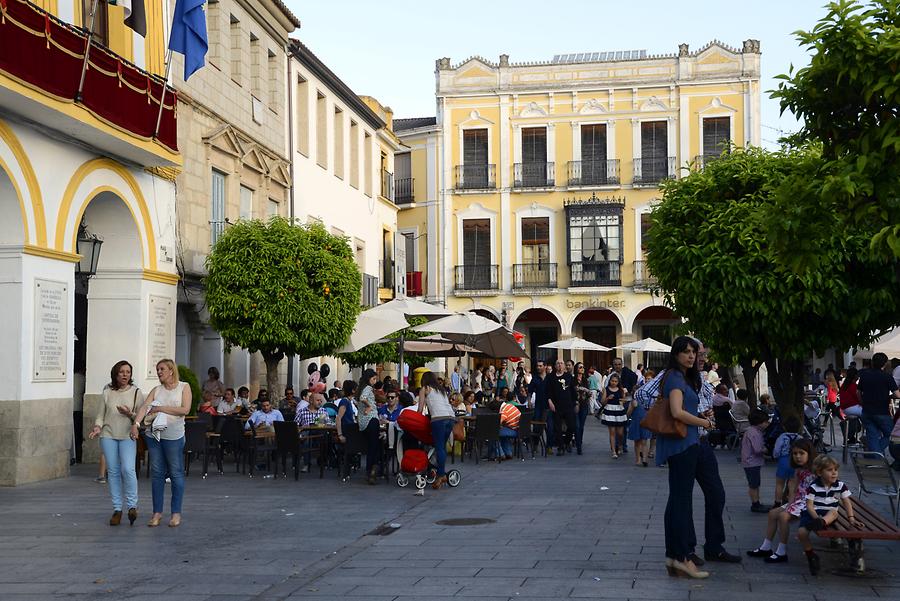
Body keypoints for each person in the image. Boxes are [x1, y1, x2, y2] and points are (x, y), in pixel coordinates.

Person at [651, 336, 740, 580]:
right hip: (683, 444)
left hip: (688, 443)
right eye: (686, 352)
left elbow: (682, 410)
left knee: (679, 501)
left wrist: (699, 415)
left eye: (694, 352)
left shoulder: (683, 377)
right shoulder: (674, 377)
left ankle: (676, 557)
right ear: (676, 354)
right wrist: (705, 421)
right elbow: (677, 412)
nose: (692, 356)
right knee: (681, 503)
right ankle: (682, 558)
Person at [131, 359, 191, 528]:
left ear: (171, 370)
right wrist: (136, 424)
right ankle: (157, 512)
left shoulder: (183, 387)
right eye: (157, 369)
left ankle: (175, 513)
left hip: (174, 436)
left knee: (176, 472)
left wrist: (160, 408)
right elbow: (144, 407)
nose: (159, 372)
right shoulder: (156, 390)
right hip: (154, 436)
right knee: (156, 473)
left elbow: (185, 410)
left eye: (162, 369)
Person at [88, 360, 142, 526]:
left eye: (128, 372)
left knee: (128, 469)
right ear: (115, 374)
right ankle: (117, 509)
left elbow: (141, 417)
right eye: (122, 372)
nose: (125, 375)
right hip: (108, 434)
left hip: (127, 436)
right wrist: (97, 427)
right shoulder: (107, 392)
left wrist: (129, 414)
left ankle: (132, 506)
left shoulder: (136, 392)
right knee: (113, 471)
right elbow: (100, 414)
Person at [747, 438, 817, 563]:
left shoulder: (815, 470)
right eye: (795, 454)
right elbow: (793, 489)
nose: (798, 457)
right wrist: (789, 504)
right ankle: (766, 546)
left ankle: (781, 550)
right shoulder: (798, 470)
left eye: (801, 453)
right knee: (773, 513)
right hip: (798, 501)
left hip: (811, 503)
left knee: (783, 517)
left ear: (809, 454)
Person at [797, 455, 862, 575]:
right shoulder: (813, 487)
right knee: (801, 533)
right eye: (829, 470)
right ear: (819, 473)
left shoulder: (840, 485)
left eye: (835, 470)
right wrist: (816, 517)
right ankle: (811, 555)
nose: (834, 473)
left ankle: (822, 523)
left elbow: (847, 502)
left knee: (834, 512)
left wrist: (851, 518)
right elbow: (809, 505)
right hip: (813, 514)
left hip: (828, 514)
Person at [418, 371, 457, 489]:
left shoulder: (425, 389)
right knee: (442, 447)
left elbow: (420, 409)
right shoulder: (441, 390)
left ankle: (440, 475)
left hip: (438, 419)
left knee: (439, 447)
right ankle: (441, 472)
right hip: (450, 418)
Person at [858, 352, 900, 453]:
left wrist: (862, 402)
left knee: (872, 436)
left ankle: (874, 457)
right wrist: (890, 396)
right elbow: (898, 395)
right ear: (885, 364)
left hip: (867, 411)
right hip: (882, 411)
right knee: (891, 435)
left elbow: (858, 392)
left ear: (872, 362)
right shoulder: (887, 377)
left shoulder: (865, 375)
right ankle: (876, 454)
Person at [741, 409, 771, 513]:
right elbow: (757, 449)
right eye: (766, 422)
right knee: (754, 484)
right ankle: (755, 504)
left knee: (755, 483)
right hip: (752, 462)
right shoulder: (754, 433)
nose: (768, 424)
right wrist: (766, 450)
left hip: (750, 462)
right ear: (760, 423)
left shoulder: (751, 431)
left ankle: (757, 502)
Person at [546, 359, 576, 456]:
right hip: (556, 406)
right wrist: (550, 402)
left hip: (568, 405)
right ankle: (560, 447)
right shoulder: (550, 377)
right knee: (557, 428)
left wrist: (575, 403)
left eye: (561, 363)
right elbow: (548, 391)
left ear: (564, 366)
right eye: (557, 363)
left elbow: (573, 391)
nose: (559, 365)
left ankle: (567, 442)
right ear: (555, 366)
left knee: (571, 426)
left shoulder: (569, 376)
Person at [357, 369, 381, 485]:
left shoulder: (360, 388)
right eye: (374, 379)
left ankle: (370, 469)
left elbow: (359, 400)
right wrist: (369, 406)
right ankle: (373, 468)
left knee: (371, 446)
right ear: (368, 379)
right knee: (374, 445)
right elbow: (363, 398)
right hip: (371, 419)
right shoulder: (368, 388)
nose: (375, 381)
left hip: (363, 422)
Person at [772, 416, 802, 506]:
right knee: (792, 484)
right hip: (795, 461)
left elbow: (777, 450)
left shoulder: (782, 437)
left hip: (783, 461)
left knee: (779, 483)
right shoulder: (800, 437)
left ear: (784, 427)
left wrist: (775, 456)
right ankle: (791, 503)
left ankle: (777, 502)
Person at [601, 373, 629, 458]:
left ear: (618, 382)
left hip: (619, 410)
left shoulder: (621, 390)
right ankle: (613, 451)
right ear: (610, 381)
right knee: (612, 432)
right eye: (612, 381)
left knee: (620, 433)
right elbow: (602, 402)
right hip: (609, 410)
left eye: (615, 381)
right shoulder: (606, 389)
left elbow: (624, 400)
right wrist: (607, 398)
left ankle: (620, 445)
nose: (613, 383)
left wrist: (623, 400)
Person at [627, 380, 653, 467]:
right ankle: (638, 459)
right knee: (637, 441)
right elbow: (628, 413)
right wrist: (633, 407)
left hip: (645, 422)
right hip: (635, 422)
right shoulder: (633, 402)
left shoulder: (647, 402)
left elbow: (650, 411)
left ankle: (644, 458)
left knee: (645, 441)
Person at [572, 363, 591, 456]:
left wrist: (587, 392)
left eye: (583, 367)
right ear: (576, 369)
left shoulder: (585, 380)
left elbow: (589, 392)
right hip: (575, 404)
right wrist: (583, 389)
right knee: (577, 426)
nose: (582, 369)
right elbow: (573, 390)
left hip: (584, 405)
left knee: (582, 426)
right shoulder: (573, 379)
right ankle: (578, 445)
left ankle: (579, 442)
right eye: (580, 367)